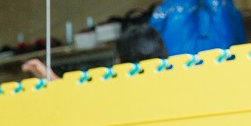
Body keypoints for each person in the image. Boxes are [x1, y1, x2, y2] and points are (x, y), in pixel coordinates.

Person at [22, 22, 169, 82]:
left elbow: (80, 100)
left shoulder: (118, 90)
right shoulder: (174, 83)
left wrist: (50, 77)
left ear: (119, 60)